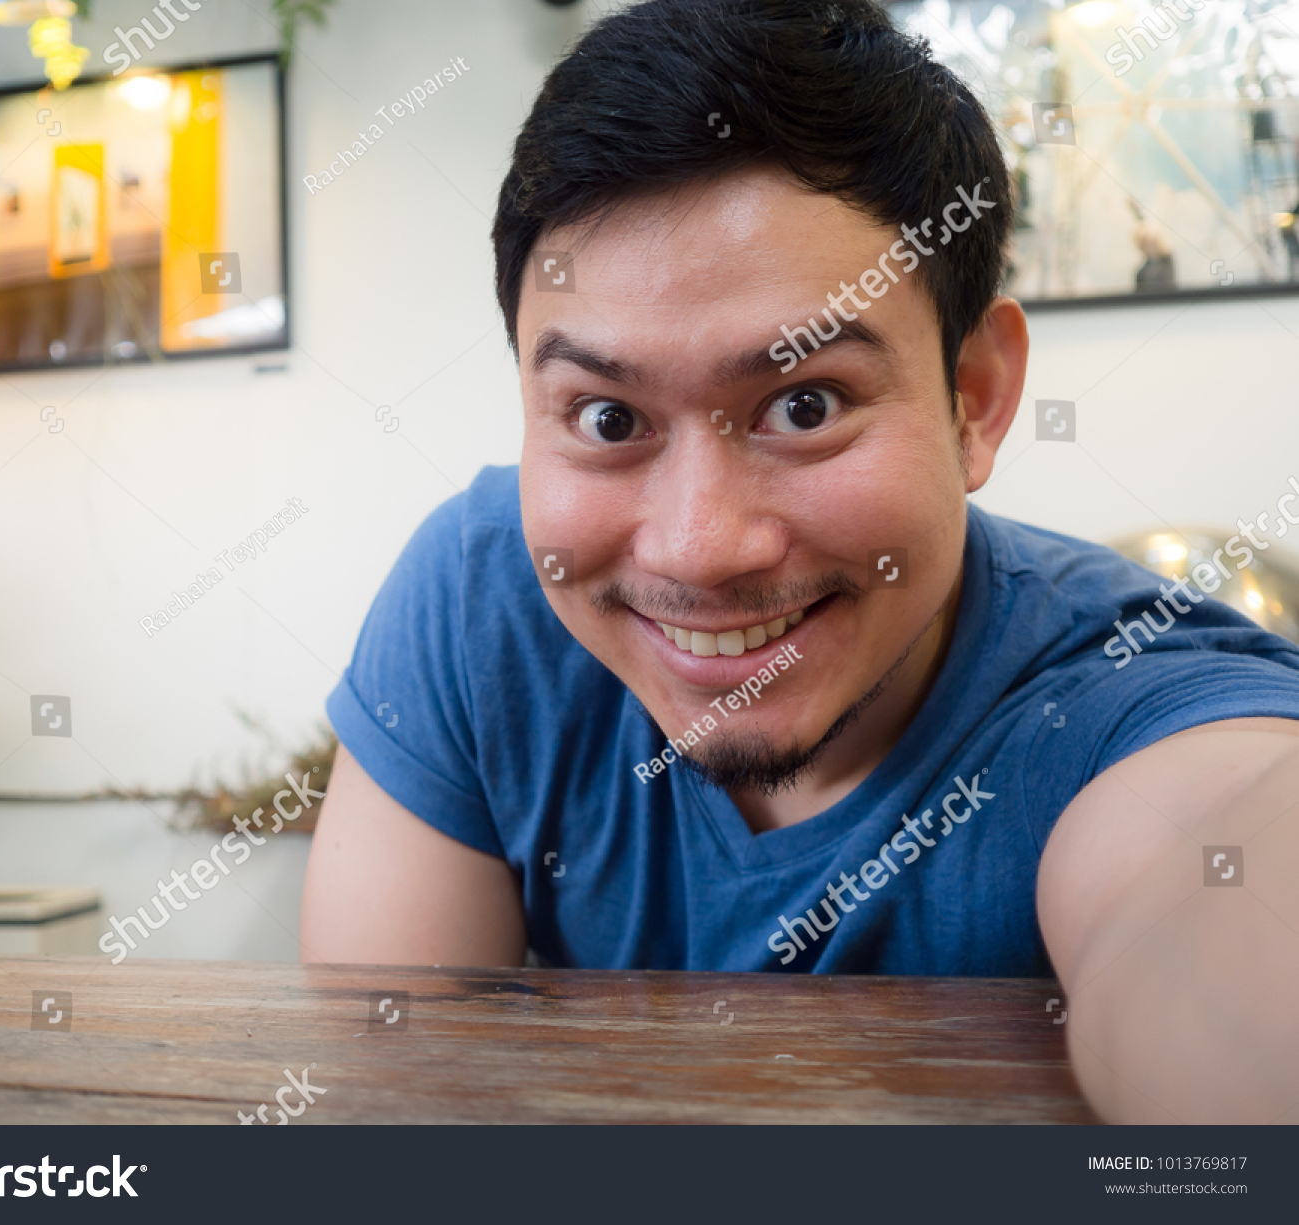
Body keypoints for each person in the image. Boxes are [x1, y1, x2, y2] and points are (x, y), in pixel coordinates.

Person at [300, 0, 1299, 1123]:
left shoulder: (1124, 702)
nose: (697, 547)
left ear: (975, 397)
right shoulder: (480, 601)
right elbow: (391, 1098)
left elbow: (1233, 896)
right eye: (607, 419)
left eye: (803, 404)